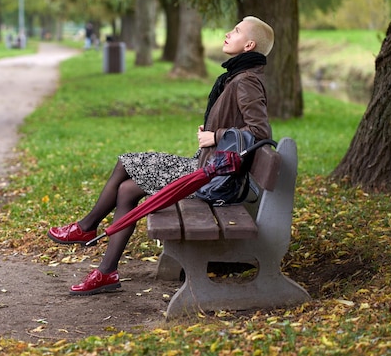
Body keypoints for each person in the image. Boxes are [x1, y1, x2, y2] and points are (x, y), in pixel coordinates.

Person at [48, 16, 275, 295]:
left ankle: (89, 234)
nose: (228, 33)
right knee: (127, 187)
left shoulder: (246, 81)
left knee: (127, 175)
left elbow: (260, 132)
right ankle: (104, 266)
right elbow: (243, 127)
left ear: (249, 45)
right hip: (207, 169)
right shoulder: (239, 76)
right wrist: (215, 130)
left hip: (214, 181)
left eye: (236, 31)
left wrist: (216, 136)